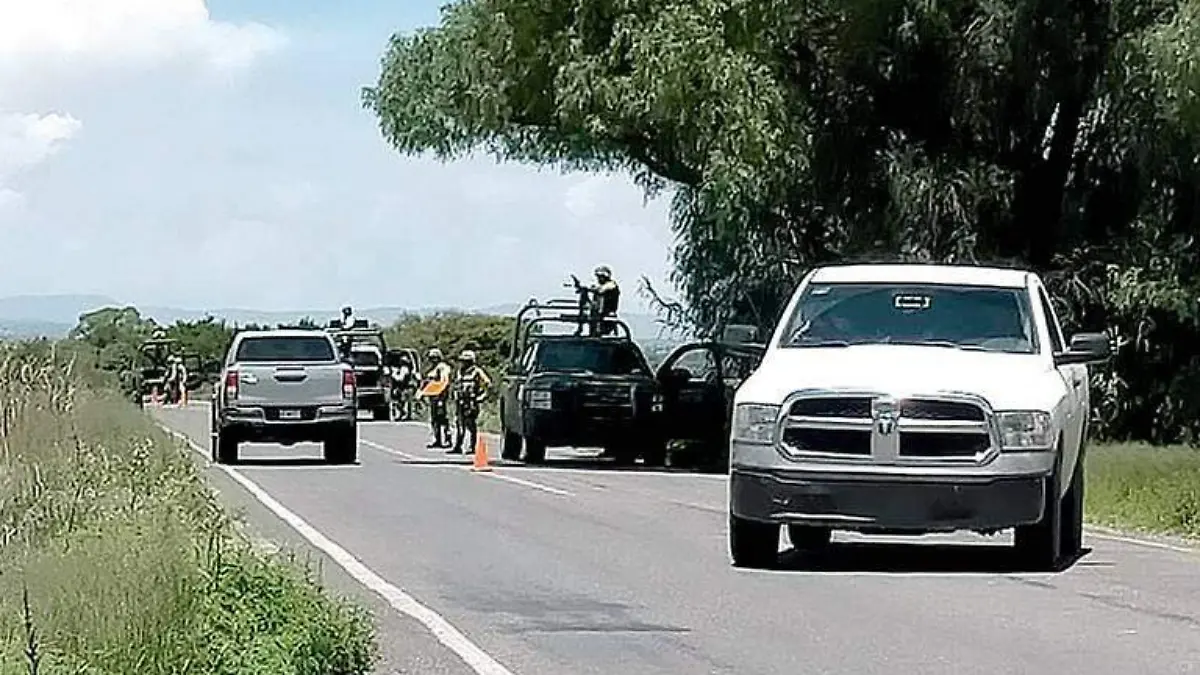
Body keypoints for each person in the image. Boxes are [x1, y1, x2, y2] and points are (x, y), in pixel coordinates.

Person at [450, 350, 491, 455]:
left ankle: (473, 447)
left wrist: (481, 397)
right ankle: (458, 446)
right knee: (459, 424)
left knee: (470, 425)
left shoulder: (477, 372)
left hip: (471, 402)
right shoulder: (459, 372)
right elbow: (455, 385)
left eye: (466, 361)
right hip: (460, 402)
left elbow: (487, 384)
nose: (463, 363)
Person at [423, 348, 453, 448]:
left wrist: (441, 396)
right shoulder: (433, 369)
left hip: (440, 397)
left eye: (434, 358)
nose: (432, 360)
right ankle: (437, 439)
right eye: (431, 358)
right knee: (434, 419)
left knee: (442, 418)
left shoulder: (443, 368)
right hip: (433, 397)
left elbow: (444, 382)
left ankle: (448, 438)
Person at [388, 353, 416, 421]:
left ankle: (404, 415)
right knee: (402, 402)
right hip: (404, 387)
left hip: (404, 387)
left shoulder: (404, 369)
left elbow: (400, 379)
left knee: (402, 402)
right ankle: (403, 415)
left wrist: (393, 375)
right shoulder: (406, 369)